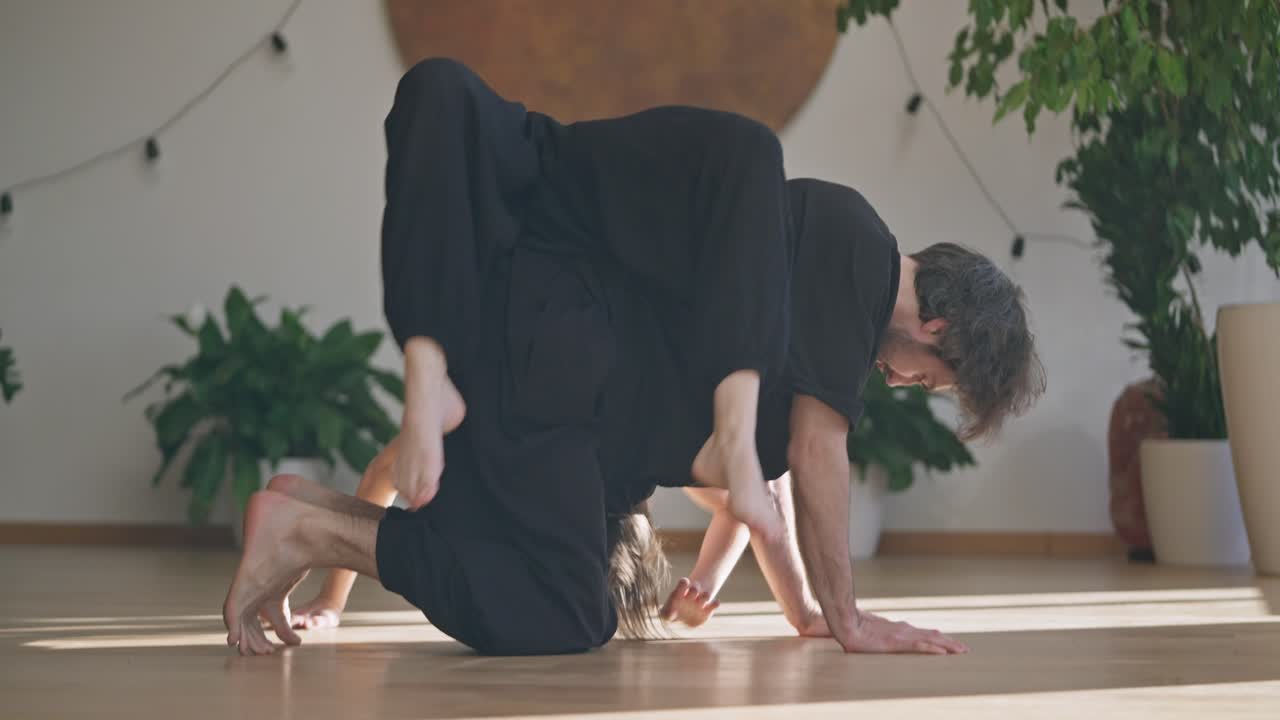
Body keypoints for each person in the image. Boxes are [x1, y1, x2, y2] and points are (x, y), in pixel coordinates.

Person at [222, 57, 1044, 657]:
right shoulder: (860, 256)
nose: (904, 384)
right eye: (931, 382)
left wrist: (804, 609)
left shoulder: (807, 286)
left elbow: (776, 492)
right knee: (560, 611)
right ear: (940, 333)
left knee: (556, 595)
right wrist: (850, 618)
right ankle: (311, 531)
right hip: (553, 349)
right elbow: (814, 453)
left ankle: (305, 513)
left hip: (552, 391)